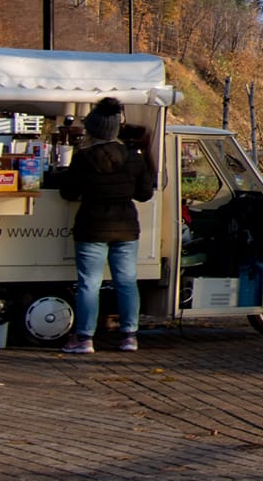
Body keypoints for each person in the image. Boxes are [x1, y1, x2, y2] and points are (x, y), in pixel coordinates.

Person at [58, 97, 155, 354]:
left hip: (91, 225)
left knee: (90, 283)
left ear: (92, 129)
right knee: (126, 281)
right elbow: (145, 193)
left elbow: (67, 192)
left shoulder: (83, 158)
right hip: (125, 225)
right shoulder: (134, 157)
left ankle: (84, 338)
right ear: (115, 128)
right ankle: (129, 336)